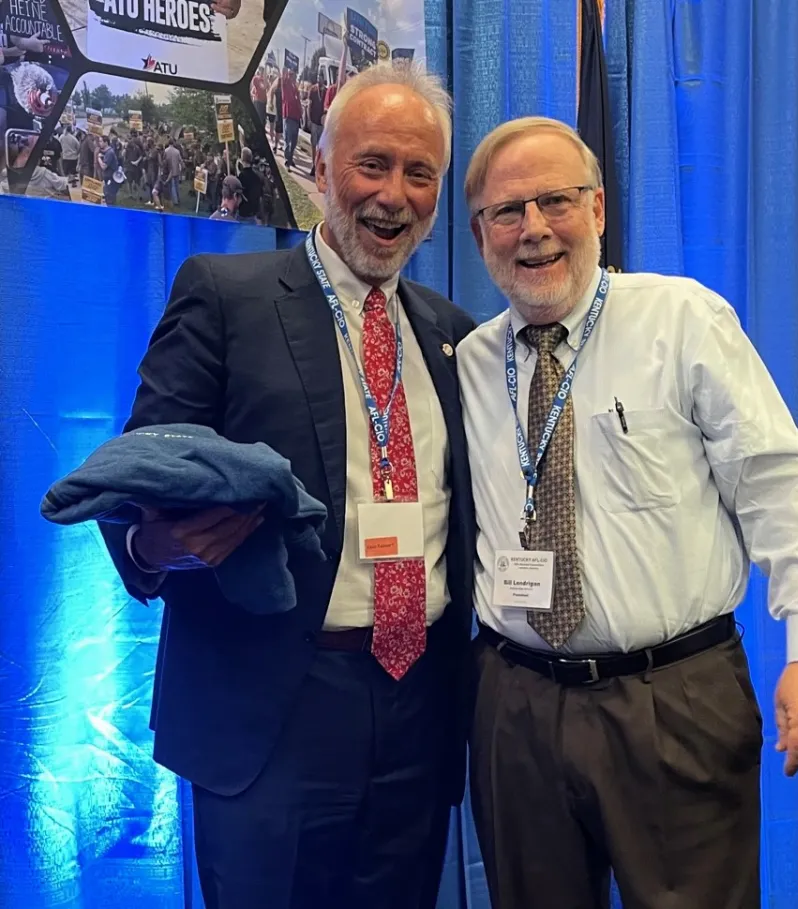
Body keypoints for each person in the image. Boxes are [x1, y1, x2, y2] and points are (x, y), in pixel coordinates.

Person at [100, 62, 475, 909]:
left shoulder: (455, 334)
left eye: (420, 174)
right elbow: (138, 477)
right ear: (319, 166)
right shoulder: (224, 296)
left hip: (420, 706)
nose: (394, 194)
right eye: (372, 164)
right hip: (272, 711)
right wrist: (158, 543)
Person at [456, 116, 798, 909]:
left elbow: (778, 483)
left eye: (555, 201)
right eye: (508, 212)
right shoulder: (469, 362)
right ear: (479, 234)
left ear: (598, 209)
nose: (533, 229)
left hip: (672, 698)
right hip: (516, 704)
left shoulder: (682, 321)